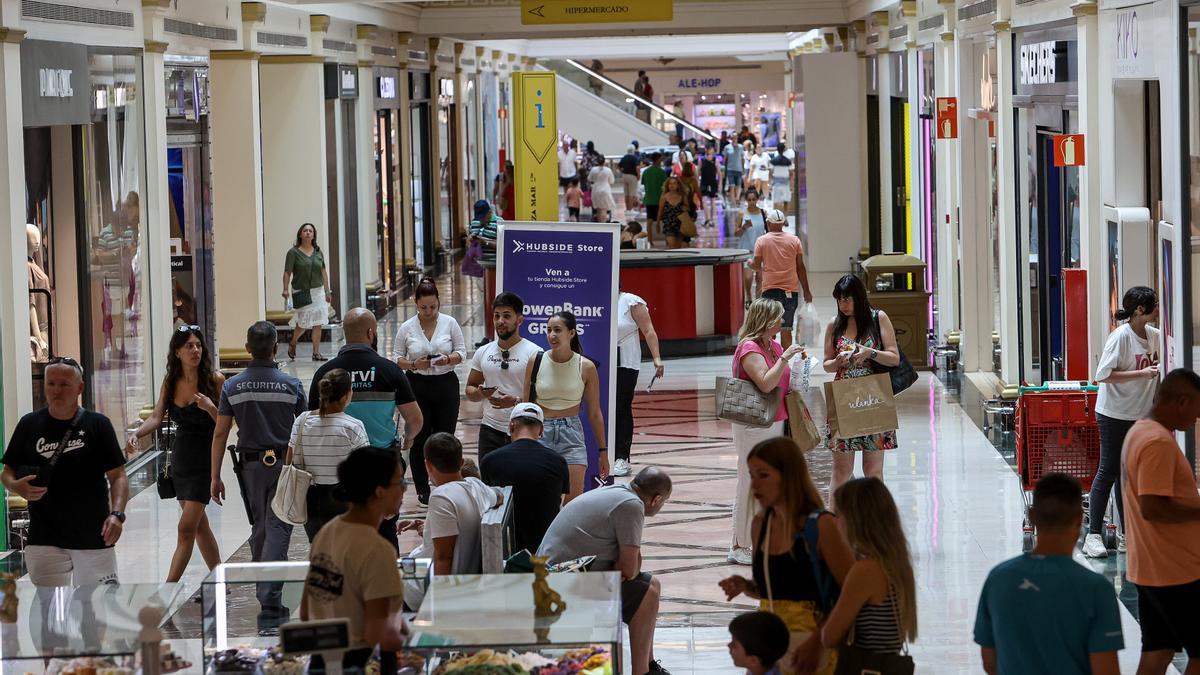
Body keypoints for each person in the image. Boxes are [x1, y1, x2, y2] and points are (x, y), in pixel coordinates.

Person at [719, 438, 854, 675]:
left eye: (764, 475)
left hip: (814, 650)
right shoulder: (761, 525)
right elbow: (773, 589)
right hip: (769, 649)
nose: (755, 485)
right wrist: (746, 586)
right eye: (752, 475)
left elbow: (851, 594)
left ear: (789, 476)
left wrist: (817, 642)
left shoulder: (822, 526)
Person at [974, 473, 1123, 675]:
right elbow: (1106, 670)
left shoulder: (999, 580)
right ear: (1080, 518)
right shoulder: (1096, 589)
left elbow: (989, 661)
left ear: (1032, 515)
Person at [209, 321, 307, 620]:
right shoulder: (292, 385)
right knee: (277, 526)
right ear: (275, 348)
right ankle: (269, 595)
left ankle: (267, 591)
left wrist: (215, 476)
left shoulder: (232, 385)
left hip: (250, 468)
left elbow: (221, 433)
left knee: (260, 527)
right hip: (284, 465)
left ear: (248, 348)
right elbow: (305, 427)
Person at [1, 358, 128, 586]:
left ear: (79, 388)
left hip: (93, 533)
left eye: (64, 384)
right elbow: (7, 472)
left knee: (95, 611)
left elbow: (118, 476)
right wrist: (15, 486)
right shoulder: (29, 425)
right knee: (49, 614)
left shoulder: (98, 425)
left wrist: (117, 514)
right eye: (51, 384)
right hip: (45, 536)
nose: (56, 390)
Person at [538, 467, 673, 675]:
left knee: (653, 584)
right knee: (646, 594)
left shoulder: (619, 492)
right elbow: (630, 569)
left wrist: (625, 564)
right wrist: (626, 564)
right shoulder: (631, 505)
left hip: (558, 575)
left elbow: (628, 567)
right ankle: (642, 672)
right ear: (655, 499)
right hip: (557, 585)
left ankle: (650, 665)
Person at [310, 308, 423, 536]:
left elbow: (311, 421)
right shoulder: (390, 370)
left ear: (345, 333)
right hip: (382, 468)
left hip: (335, 472)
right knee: (385, 535)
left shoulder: (325, 372)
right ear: (371, 333)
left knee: (340, 540)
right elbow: (415, 419)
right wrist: (407, 439)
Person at [128, 325, 225, 582]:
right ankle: (220, 579)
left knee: (185, 529)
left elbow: (226, 425)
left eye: (198, 345)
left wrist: (210, 407)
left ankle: (168, 588)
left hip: (205, 459)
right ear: (177, 352)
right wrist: (137, 433)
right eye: (189, 346)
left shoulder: (215, 380)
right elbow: (157, 417)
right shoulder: (171, 382)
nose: (195, 350)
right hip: (181, 458)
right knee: (199, 527)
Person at [1120, 369, 1200, 674]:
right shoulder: (1157, 443)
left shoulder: (1140, 431)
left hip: (1150, 567)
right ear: (1182, 402)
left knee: (1158, 649)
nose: (1196, 419)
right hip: (1177, 571)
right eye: (1197, 410)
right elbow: (1153, 507)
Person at [301, 447, 408, 674]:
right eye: (400, 482)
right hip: (364, 664)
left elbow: (306, 611)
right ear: (379, 491)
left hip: (321, 663)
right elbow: (378, 634)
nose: (403, 490)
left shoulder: (326, 533)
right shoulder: (377, 549)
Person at [1083, 286, 1160, 559]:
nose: (1158, 309)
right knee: (1109, 470)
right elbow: (1102, 375)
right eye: (1155, 304)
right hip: (1113, 413)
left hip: (1138, 415)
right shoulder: (1120, 337)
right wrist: (1142, 374)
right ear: (1140, 309)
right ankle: (1092, 535)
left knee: (1128, 476)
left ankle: (1127, 534)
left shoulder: (1154, 336)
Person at [727, 299, 801, 564]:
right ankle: (739, 544)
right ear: (768, 320)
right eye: (779, 318)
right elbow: (766, 383)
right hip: (753, 424)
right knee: (749, 481)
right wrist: (784, 358)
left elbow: (783, 381)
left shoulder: (774, 345)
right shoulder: (750, 349)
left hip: (775, 420)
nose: (782, 322)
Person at [397, 433, 503, 608]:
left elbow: (444, 556)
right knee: (395, 566)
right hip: (457, 573)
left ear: (427, 465)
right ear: (461, 463)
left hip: (431, 581)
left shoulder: (442, 497)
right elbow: (498, 496)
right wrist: (426, 528)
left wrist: (440, 603)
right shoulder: (475, 486)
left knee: (381, 573)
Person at [822, 274, 900, 509]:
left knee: (873, 470)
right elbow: (826, 364)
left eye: (847, 300)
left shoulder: (879, 319)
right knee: (841, 470)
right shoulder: (834, 324)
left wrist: (869, 352)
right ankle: (833, 526)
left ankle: (876, 525)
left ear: (859, 298)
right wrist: (838, 362)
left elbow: (894, 358)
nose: (843, 305)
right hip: (844, 398)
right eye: (839, 300)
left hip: (873, 398)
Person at [819, 477, 917, 656]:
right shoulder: (898, 564)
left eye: (838, 514)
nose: (835, 522)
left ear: (855, 520)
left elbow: (829, 636)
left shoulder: (866, 571)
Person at [523, 311, 610, 502]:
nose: (552, 335)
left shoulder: (586, 367)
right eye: (548, 330)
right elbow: (526, 407)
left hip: (571, 432)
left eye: (557, 330)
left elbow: (595, 413)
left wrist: (603, 452)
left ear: (571, 333)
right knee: (542, 497)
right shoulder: (535, 361)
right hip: (541, 431)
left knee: (574, 497)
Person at [393, 278, 466, 503]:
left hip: (445, 384)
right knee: (419, 435)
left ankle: (447, 483)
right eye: (423, 307)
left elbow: (462, 352)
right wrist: (415, 364)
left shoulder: (450, 323)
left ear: (439, 303)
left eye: (433, 307)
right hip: (417, 385)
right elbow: (397, 358)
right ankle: (423, 488)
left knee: (445, 435)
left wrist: (447, 359)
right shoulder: (407, 327)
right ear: (416, 303)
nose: (428, 311)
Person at [480, 403, 569, 553]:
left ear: (511, 426)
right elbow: (559, 502)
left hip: (505, 550)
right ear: (541, 430)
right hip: (545, 550)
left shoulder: (490, 461)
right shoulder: (558, 462)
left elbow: (487, 504)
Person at [292, 368, 370, 540]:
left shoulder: (302, 420)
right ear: (347, 395)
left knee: (319, 549)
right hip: (344, 498)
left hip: (311, 498)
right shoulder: (353, 426)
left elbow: (292, 460)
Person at [466, 292, 543, 458]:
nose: (500, 321)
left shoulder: (535, 353)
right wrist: (480, 393)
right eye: (496, 316)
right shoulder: (483, 352)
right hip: (490, 430)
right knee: (488, 481)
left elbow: (543, 397)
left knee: (521, 482)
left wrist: (515, 402)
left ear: (519, 320)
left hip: (524, 429)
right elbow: (470, 389)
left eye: (506, 316)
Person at [614, 291, 664, 478]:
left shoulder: (630, 301)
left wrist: (657, 358)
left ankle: (622, 457)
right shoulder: (595, 298)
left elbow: (649, 330)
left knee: (621, 407)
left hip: (626, 362)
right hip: (601, 362)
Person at [753, 208, 814, 350]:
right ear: (783, 223)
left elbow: (756, 265)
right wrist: (807, 291)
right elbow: (800, 267)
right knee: (786, 328)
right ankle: (785, 364)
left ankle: (772, 363)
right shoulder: (794, 241)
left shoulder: (761, 241)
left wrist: (751, 264)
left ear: (768, 223)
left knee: (769, 331)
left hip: (769, 291)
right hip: (790, 292)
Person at [282, 223, 332, 361]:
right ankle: (293, 342)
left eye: (311, 231)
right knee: (303, 323)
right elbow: (287, 272)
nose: (308, 233)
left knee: (318, 322)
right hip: (301, 291)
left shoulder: (318, 252)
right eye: (305, 230)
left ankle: (316, 352)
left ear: (314, 235)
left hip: (318, 291)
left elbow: (323, 272)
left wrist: (327, 291)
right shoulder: (293, 253)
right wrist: (285, 289)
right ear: (300, 234)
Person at [736, 188, 767, 307]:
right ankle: (748, 295)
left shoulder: (763, 213)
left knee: (760, 277)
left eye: (754, 199)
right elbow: (736, 233)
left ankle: (758, 301)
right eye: (749, 200)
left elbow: (767, 231)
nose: (752, 202)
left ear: (757, 199)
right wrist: (744, 227)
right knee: (748, 277)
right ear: (746, 200)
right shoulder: (742, 214)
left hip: (760, 250)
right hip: (746, 250)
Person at [641, 153, 669, 245]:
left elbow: (644, 184)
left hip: (649, 199)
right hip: (660, 199)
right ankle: (666, 240)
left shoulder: (646, 172)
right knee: (663, 220)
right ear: (657, 160)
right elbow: (665, 187)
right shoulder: (662, 172)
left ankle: (650, 240)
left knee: (649, 220)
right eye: (660, 159)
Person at [659, 176, 690, 250]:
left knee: (678, 248)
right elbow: (660, 210)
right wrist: (658, 223)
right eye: (670, 184)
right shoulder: (664, 197)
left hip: (680, 224)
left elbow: (688, 208)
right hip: (668, 224)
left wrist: (685, 208)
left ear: (678, 185)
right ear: (667, 185)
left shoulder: (682, 196)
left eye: (674, 183)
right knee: (672, 247)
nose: (672, 185)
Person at [699, 145, 722, 228]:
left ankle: (712, 220)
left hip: (712, 182)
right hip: (704, 182)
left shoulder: (716, 160)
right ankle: (707, 219)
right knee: (704, 200)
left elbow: (719, 174)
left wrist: (720, 184)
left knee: (712, 201)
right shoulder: (701, 160)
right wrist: (698, 183)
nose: (710, 151)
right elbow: (698, 172)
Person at [589, 157, 617, 223]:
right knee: (604, 209)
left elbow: (590, 179)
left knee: (598, 209)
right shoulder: (608, 170)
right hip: (605, 189)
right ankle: (604, 224)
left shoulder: (593, 169)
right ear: (604, 162)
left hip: (595, 190)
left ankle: (600, 224)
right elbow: (612, 181)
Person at [770, 142, 795, 214]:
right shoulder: (788, 161)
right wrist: (792, 185)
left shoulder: (773, 161)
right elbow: (791, 174)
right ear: (784, 149)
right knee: (786, 202)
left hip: (776, 184)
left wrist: (770, 184)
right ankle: (785, 218)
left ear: (777, 149)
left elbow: (771, 174)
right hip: (786, 184)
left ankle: (776, 217)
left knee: (775, 202)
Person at [619, 145, 641, 213]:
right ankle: (631, 210)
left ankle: (627, 209)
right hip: (632, 176)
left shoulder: (624, 157)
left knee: (626, 194)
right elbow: (637, 167)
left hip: (624, 176)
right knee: (631, 193)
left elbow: (619, 166)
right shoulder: (634, 158)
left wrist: (622, 171)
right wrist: (638, 175)